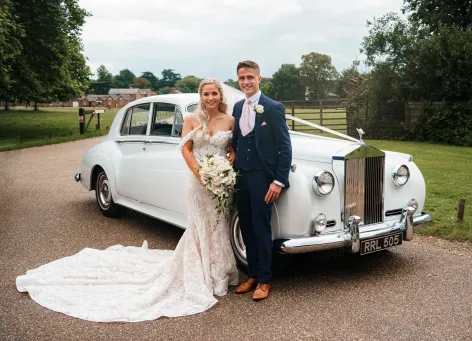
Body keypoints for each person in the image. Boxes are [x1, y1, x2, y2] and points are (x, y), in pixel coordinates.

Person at [15, 78, 239, 322]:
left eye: (214, 93)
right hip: (197, 180)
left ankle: (220, 273)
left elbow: (232, 149)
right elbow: (185, 148)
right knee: (197, 224)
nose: (210, 98)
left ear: (220, 95)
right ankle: (201, 273)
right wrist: (200, 173)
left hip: (218, 181)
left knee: (218, 223)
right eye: (206, 94)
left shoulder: (230, 121)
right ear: (201, 95)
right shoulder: (190, 119)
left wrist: (224, 168)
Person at [232, 61, 292, 301]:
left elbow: (285, 147)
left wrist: (278, 180)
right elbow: (237, 141)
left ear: (259, 79)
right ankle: (252, 275)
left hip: (261, 177)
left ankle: (265, 279)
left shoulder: (273, 107)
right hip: (240, 176)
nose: (246, 82)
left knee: (261, 228)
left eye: (250, 77)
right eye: (242, 78)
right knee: (245, 227)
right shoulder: (237, 107)